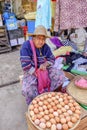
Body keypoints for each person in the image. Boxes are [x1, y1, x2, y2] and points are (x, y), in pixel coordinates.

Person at [20, 25, 65, 105]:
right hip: (31, 72)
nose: (41, 41)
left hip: (44, 70)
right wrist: (36, 73)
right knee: (27, 89)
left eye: (43, 39)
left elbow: (51, 59)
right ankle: (37, 102)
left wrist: (45, 64)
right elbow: (26, 65)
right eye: (38, 38)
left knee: (60, 75)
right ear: (33, 38)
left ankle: (47, 94)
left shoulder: (45, 47)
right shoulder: (26, 46)